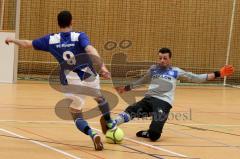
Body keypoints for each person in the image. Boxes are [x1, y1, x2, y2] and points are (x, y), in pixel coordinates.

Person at [5, 10, 116, 150]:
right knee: (100, 98)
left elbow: (27, 44)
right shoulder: (79, 36)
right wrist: (103, 67)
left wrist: (12, 40)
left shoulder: (51, 40)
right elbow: (90, 49)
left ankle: (92, 134)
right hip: (88, 74)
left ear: (58, 23)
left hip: (71, 80)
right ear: (71, 21)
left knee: (76, 112)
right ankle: (110, 123)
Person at [101, 47, 234, 141]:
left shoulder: (176, 71)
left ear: (170, 59)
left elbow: (196, 78)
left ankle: (148, 132)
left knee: (154, 135)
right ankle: (112, 124)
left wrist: (219, 73)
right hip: (149, 99)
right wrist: (127, 88)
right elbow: (142, 81)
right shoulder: (153, 69)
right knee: (131, 109)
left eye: (165, 58)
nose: (162, 61)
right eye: (160, 58)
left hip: (163, 103)